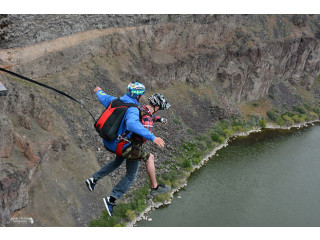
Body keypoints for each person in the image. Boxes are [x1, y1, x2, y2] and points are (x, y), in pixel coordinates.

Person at [86, 82, 170, 217]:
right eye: (141, 95)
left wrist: (98, 90)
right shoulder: (133, 109)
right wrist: (152, 137)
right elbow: (132, 124)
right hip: (123, 146)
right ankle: (112, 199)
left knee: (117, 162)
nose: (142, 97)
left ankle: (93, 179)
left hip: (110, 141)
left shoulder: (117, 101)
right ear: (138, 96)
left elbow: (103, 96)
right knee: (139, 168)